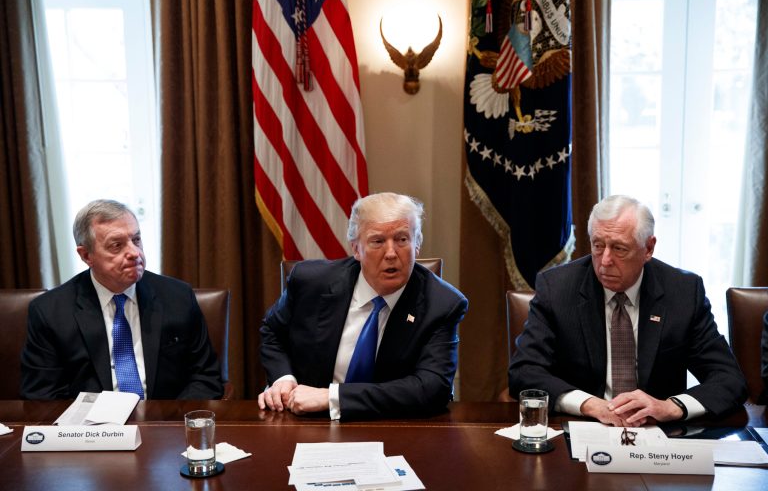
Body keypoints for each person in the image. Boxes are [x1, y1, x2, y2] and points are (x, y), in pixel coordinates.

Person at [508, 195, 746, 426]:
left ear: (649, 248)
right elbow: (524, 372)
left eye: (620, 249)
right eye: (598, 246)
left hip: (659, 435)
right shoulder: (557, 289)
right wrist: (589, 404)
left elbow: (729, 379)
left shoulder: (683, 292)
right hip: (582, 428)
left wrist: (671, 407)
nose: (605, 261)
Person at [258, 192, 468, 420]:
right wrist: (283, 378)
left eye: (402, 239)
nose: (391, 253)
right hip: (309, 421)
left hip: (396, 427)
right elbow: (272, 333)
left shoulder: (443, 304)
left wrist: (332, 397)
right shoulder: (311, 282)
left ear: (417, 245)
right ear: (356, 249)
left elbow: (432, 387)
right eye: (377, 241)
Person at [21, 199, 223, 400]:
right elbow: (43, 396)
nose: (135, 253)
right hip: (89, 428)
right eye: (116, 245)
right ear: (86, 255)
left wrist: (169, 425)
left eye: (136, 240)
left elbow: (205, 377)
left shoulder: (178, 297)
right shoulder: (50, 312)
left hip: (165, 423)